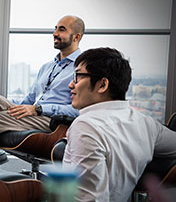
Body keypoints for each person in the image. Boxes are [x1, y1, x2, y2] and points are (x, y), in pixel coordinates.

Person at [0, 15, 85, 153]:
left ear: (76, 37)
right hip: (32, 113)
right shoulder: (47, 66)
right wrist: (9, 107)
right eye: (55, 29)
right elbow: (29, 99)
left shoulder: (81, 68)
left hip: (51, 121)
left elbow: (78, 110)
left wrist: (39, 109)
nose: (55, 34)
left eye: (61, 30)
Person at [63, 47, 176, 201]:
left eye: (77, 76)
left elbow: (90, 199)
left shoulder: (86, 126)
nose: (71, 84)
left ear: (102, 85)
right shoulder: (145, 122)